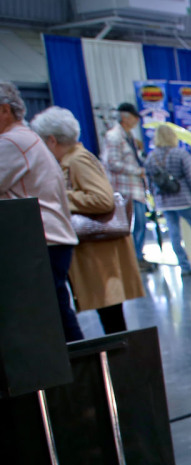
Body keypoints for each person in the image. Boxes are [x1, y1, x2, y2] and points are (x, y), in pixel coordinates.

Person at [31, 106, 144, 334]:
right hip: (95, 253)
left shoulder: (77, 160)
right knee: (111, 318)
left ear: (51, 140)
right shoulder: (73, 159)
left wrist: (60, 196)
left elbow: (102, 199)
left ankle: (120, 366)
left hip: (99, 254)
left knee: (112, 319)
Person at [0, 82, 84, 341]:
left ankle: (82, 373)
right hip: (46, 240)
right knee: (54, 314)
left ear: (4, 110)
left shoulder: (13, 142)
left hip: (39, 241)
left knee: (53, 318)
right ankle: (81, 372)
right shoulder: (26, 139)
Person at [145, 124, 191, 275]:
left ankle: (184, 266)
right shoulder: (180, 154)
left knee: (174, 234)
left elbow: (149, 183)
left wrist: (154, 201)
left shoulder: (151, 157)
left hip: (164, 201)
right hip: (184, 198)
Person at [103, 101, 150, 268]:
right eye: (135, 118)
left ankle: (137, 256)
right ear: (125, 117)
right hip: (124, 190)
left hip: (135, 189)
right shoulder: (114, 136)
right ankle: (131, 260)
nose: (137, 121)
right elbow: (112, 162)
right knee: (131, 226)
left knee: (140, 225)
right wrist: (137, 171)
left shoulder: (129, 137)